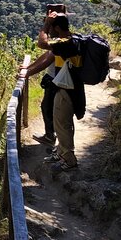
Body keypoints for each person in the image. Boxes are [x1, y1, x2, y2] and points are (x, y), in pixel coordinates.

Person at [24, 11, 85, 173]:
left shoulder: (66, 43)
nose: (50, 29)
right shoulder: (70, 40)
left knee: (62, 124)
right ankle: (60, 152)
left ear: (57, 27)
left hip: (67, 90)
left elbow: (42, 44)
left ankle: (69, 160)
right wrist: (28, 70)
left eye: (52, 26)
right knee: (61, 122)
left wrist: (45, 25)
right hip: (69, 88)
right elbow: (48, 54)